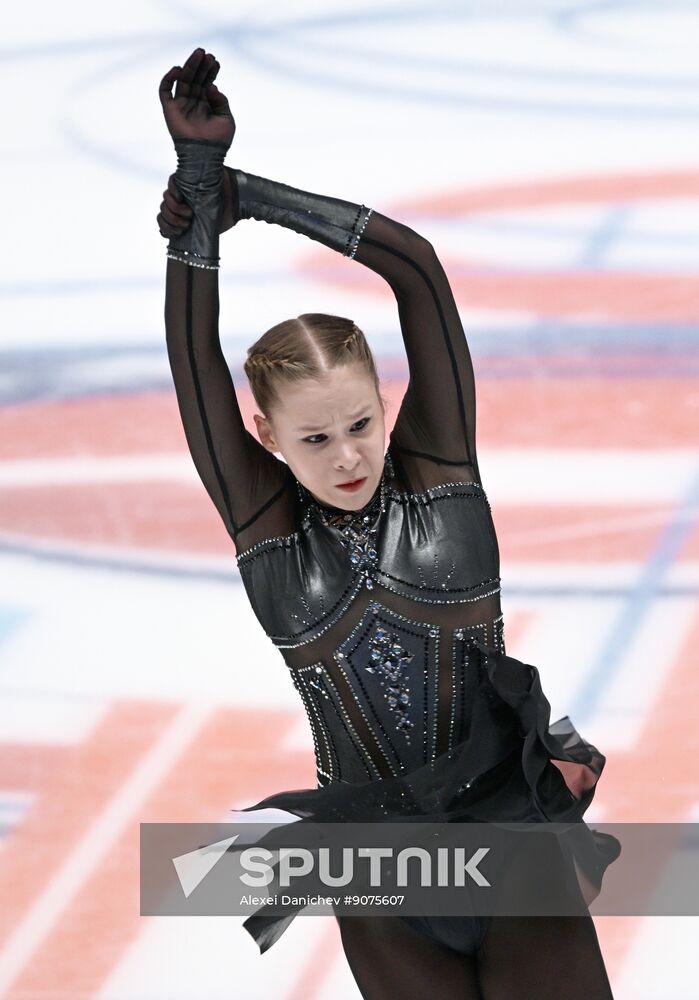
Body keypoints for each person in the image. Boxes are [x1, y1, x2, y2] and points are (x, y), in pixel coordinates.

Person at [157, 47, 620, 999]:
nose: (349, 455)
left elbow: (418, 270)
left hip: (510, 844)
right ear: (267, 438)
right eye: (316, 438)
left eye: (362, 423)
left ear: (386, 403)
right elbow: (193, 363)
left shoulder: (442, 474)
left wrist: (241, 190)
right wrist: (192, 219)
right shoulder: (267, 531)